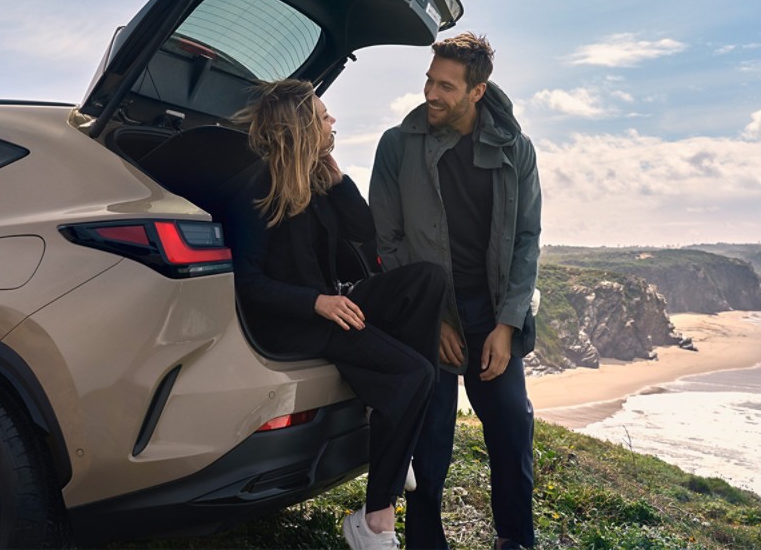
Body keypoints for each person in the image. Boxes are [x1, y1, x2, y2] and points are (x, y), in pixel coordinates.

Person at [224, 79, 446, 550]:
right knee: (414, 375)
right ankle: (374, 520)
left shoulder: (314, 182)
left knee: (427, 280)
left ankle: (396, 434)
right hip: (297, 323)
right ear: (302, 126)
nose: (333, 122)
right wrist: (316, 303)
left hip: (329, 306)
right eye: (324, 117)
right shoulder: (257, 188)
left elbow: (364, 231)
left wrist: (334, 172)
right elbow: (246, 282)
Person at [369, 32, 542, 550]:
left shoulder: (517, 150)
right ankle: (426, 542)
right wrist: (432, 319)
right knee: (431, 445)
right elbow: (387, 239)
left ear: (477, 91)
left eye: (446, 86)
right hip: (427, 315)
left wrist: (506, 326)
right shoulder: (397, 146)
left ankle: (516, 540)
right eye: (429, 80)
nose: (431, 94)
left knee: (513, 431)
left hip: (490, 313)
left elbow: (527, 241)